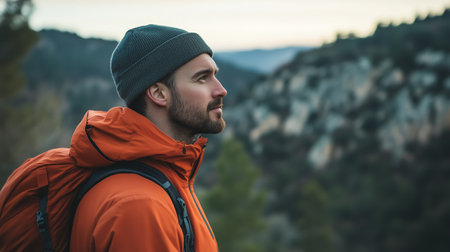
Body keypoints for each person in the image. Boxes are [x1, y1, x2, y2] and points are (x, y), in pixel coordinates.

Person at [69, 24, 227, 252]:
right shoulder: (140, 205)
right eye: (202, 78)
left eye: (215, 75)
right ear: (158, 94)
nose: (221, 90)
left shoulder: (164, 176)